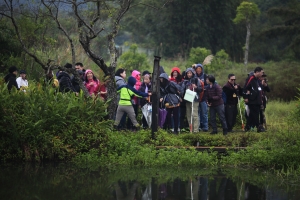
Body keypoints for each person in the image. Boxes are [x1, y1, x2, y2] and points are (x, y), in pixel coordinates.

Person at [243, 66, 265, 132]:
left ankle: (247, 127)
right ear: (257, 72)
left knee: (252, 115)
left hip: (257, 100)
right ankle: (259, 127)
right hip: (252, 100)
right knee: (255, 114)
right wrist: (246, 97)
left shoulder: (257, 80)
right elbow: (245, 88)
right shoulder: (251, 78)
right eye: (261, 72)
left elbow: (259, 90)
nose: (262, 74)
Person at [181, 68, 203, 133]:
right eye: (188, 73)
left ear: (192, 73)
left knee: (195, 115)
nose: (189, 74)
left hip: (195, 99)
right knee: (189, 115)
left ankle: (196, 130)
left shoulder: (196, 80)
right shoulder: (185, 81)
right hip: (188, 99)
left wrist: (196, 87)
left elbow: (201, 89)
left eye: (190, 73)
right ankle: (191, 129)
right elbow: (182, 90)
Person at [193, 63, 209, 132]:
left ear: (202, 69)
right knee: (197, 113)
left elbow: (208, 85)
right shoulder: (194, 76)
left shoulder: (205, 76)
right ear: (196, 70)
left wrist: (203, 87)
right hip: (196, 97)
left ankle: (205, 127)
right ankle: (198, 126)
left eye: (200, 69)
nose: (199, 70)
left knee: (204, 113)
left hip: (203, 97)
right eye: (197, 69)